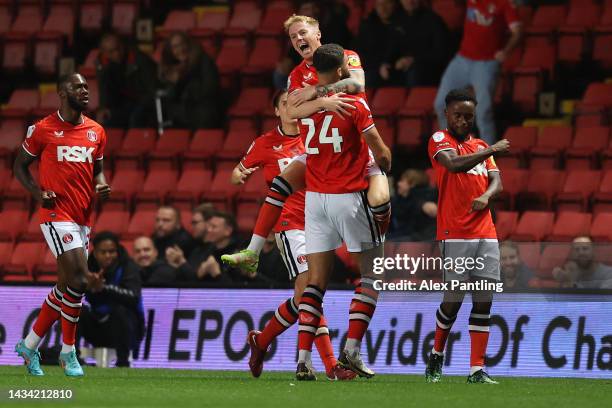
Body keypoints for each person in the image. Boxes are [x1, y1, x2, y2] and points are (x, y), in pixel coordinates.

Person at [222, 14, 391, 272]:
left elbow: (357, 84)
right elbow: (292, 111)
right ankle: (252, 251)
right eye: (293, 37)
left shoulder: (345, 56)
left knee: (379, 200)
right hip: (319, 152)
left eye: (302, 33)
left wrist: (315, 92)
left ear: (318, 34)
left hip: (352, 148)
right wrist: (323, 103)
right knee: (280, 184)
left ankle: (379, 238)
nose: (298, 39)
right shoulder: (295, 75)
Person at [226, 89, 353, 380]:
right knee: (310, 289)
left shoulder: (315, 137)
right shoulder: (265, 143)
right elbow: (237, 172)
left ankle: (261, 341)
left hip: (320, 223)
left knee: (307, 296)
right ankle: (330, 365)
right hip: (289, 225)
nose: (293, 107)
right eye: (287, 103)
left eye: (298, 102)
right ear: (277, 110)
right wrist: (240, 175)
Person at [293, 44, 392, 381]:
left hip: (314, 200)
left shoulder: (305, 107)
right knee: (371, 274)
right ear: (339, 72)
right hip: (347, 196)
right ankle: (351, 349)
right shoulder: (354, 103)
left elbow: (291, 113)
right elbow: (380, 151)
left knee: (315, 283)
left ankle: (304, 360)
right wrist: (386, 165)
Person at [14, 73, 110, 377]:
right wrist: (37, 193)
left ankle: (29, 345)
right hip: (56, 214)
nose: (84, 91)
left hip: (84, 216)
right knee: (80, 282)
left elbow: (98, 170)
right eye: (77, 87)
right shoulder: (43, 129)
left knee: (67, 286)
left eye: (86, 87)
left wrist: (102, 183)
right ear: (61, 92)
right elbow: (19, 166)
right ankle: (70, 352)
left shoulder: (96, 131)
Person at [424, 88, 509, 384]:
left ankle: (476, 369)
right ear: (446, 114)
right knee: (454, 298)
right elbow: (453, 164)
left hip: (485, 231)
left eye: (468, 116)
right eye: (458, 115)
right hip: (454, 232)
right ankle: (436, 353)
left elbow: (497, 182)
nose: (463, 120)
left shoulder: (481, 144)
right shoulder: (440, 140)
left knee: (484, 299)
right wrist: (491, 150)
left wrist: (486, 196)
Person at [433, 0, 523, 144]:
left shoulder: (504, 3)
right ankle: (452, 149)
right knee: (441, 104)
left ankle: (488, 158)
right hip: (462, 59)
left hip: (486, 63)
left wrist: (506, 51)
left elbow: (517, 31)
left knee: (483, 112)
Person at [79, 232, 143, 367]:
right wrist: (87, 287)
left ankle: (123, 362)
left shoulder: (128, 266)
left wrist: (104, 288)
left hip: (130, 329)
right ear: (95, 253)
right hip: (98, 327)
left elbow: (133, 298)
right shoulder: (87, 267)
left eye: (112, 251)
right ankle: (72, 357)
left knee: (120, 310)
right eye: (103, 252)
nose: (108, 256)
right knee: (75, 310)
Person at [167, 211, 256, 283]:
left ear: (228, 231)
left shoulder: (239, 254)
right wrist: (184, 264)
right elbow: (192, 279)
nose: (209, 230)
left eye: (214, 227)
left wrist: (217, 274)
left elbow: (239, 288)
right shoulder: (204, 250)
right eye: (209, 226)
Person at [159, 31, 222, 129]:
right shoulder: (169, 68)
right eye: (175, 47)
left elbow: (210, 89)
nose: (180, 49)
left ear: (189, 45)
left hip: (202, 111)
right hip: (180, 115)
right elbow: (170, 96)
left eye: (182, 44)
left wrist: (185, 84)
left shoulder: (204, 61)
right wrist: (175, 83)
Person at [380, 0, 450, 87]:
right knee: (375, 75)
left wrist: (413, 60)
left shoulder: (433, 20)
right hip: (401, 66)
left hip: (427, 67)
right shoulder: (397, 20)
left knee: (415, 72)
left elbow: (440, 53)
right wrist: (386, 63)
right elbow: (392, 47)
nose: (409, 1)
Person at [96, 32, 158, 128]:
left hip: (143, 101)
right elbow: (104, 90)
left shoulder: (140, 60)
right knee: (106, 119)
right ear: (105, 53)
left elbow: (152, 89)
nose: (117, 53)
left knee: (136, 118)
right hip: (122, 104)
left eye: (118, 48)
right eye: (112, 51)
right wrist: (103, 108)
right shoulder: (103, 66)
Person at [356, 0, 402, 87]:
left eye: (387, 3)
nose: (383, 8)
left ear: (394, 4)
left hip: (397, 67)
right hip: (374, 68)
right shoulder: (368, 26)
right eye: (379, 5)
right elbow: (361, 53)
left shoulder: (403, 23)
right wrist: (379, 66)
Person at [388, 169, 438, 241]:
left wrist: (423, 205)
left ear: (412, 184)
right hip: (406, 236)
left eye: (402, 181)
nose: (399, 184)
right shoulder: (399, 200)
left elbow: (433, 210)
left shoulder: (424, 198)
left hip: (422, 239)